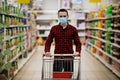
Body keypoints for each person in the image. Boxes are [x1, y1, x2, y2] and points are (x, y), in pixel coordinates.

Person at [44, 9, 81, 73]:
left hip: (69, 58)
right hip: (57, 57)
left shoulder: (73, 29)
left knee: (68, 76)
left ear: (67, 17)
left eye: (64, 16)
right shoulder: (54, 29)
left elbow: (78, 43)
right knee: (56, 76)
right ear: (58, 17)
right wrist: (47, 51)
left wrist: (77, 51)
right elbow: (48, 41)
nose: (62, 18)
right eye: (60, 16)